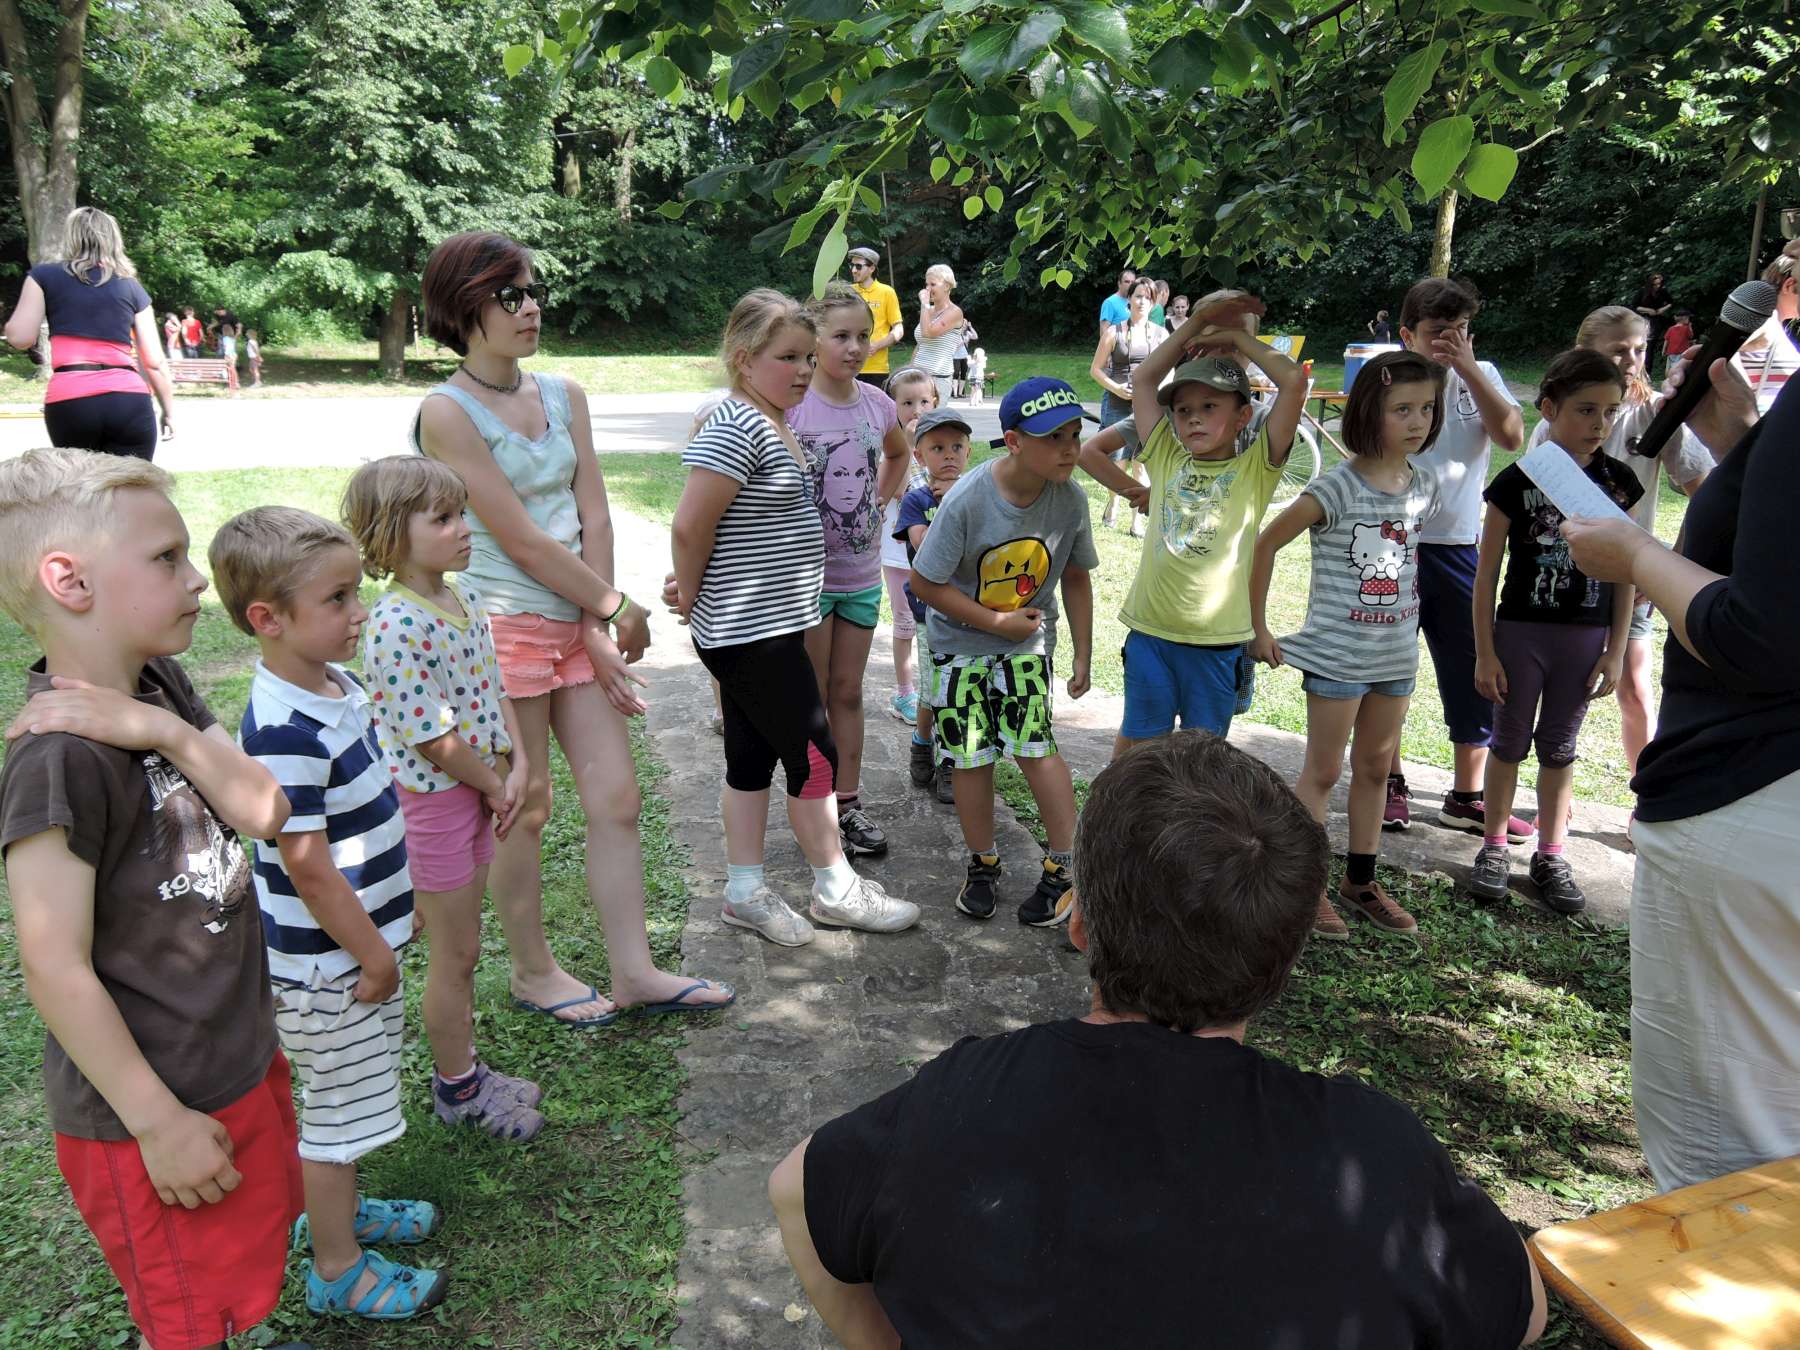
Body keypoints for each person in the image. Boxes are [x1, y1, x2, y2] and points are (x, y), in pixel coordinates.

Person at [768, 731, 1548, 1350]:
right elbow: (1526, 1311)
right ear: (1281, 967)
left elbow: (795, 1187)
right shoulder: (1373, 1152)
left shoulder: (960, 1097)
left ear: (1080, 926)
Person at [0, 449, 300, 1350]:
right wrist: (158, 1122)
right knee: (185, 1316)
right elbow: (53, 966)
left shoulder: (156, 687)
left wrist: (159, 728)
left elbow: (265, 810)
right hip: (156, 1109)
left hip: (232, 1059)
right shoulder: (56, 761)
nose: (196, 579)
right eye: (167, 558)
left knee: (236, 1276)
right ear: (70, 581)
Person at [414, 230, 732, 1024]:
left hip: (574, 621)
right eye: (509, 295)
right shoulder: (446, 413)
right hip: (504, 627)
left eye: (533, 292)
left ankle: (635, 972)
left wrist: (596, 618)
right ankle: (533, 973)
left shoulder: (565, 394)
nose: (530, 308)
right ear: (464, 308)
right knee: (525, 805)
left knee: (617, 798)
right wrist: (615, 607)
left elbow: (594, 511)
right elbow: (519, 537)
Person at [1562, 359, 1800, 1193]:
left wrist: (1634, 552)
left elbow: (1761, 635)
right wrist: (1749, 446)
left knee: (1730, 1162)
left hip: (1755, 784)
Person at [211, 506, 449, 1322]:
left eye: (357, 592)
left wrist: (397, 913)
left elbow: (367, 819)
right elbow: (307, 865)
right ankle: (337, 1268)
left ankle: (339, 1212)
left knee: (357, 1096)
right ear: (268, 619)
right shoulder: (283, 730)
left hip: (359, 946)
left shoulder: (336, 688)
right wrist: (373, 954)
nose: (360, 612)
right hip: (328, 969)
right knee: (338, 1118)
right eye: (338, 599)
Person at [670, 289, 920, 946]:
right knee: (814, 754)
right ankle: (836, 889)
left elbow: (733, 526)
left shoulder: (771, 419)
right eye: (788, 357)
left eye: (808, 356)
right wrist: (691, 593)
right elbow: (691, 524)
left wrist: (702, 582)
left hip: (767, 622)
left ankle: (744, 891)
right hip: (749, 631)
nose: (805, 369)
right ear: (743, 357)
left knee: (749, 760)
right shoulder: (738, 424)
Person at [343, 457, 551, 1143]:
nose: (464, 529)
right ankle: (457, 1088)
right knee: (455, 955)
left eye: (462, 514)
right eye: (443, 519)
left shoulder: (463, 598)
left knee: (465, 946)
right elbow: (432, 736)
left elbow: (493, 688)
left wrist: (519, 762)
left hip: (479, 792)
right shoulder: (396, 625)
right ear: (390, 534)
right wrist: (495, 783)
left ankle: (466, 1070)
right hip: (436, 804)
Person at [1251, 349, 1445, 940]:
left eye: (1427, 409)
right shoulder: (1335, 487)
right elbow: (1265, 544)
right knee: (1324, 770)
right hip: (1337, 657)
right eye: (1402, 409)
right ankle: (1306, 888)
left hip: (1396, 657)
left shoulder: (1425, 484)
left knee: (1376, 768)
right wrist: (1259, 628)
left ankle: (1361, 883)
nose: (1417, 421)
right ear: (1369, 412)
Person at [1078, 293, 1303, 753]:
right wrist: (1195, 325)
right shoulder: (1165, 453)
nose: (1194, 419)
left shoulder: (1256, 467)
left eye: (1210, 408)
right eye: (1184, 411)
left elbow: (1294, 382)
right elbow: (1144, 379)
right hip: (1151, 633)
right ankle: (1118, 803)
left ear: (1242, 416)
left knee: (1201, 755)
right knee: (1142, 747)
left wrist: (1237, 335)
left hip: (1216, 641)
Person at [909, 376, 1098, 925]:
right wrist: (995, 621)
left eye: (1074, 434)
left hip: (1027, 644)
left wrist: (1083, 651)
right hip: (959, 645)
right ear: (1013, 441)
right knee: (970, 757)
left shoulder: (1070, 499)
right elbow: (924, 583)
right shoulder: (969, 498)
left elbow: (1077, 576)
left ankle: (1065, 868)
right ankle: (982, 862)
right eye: (1053, 438)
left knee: (1035, 745)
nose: (1069, 449)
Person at [1468, 352, 1641, 916]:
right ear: (1548, 408)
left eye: (1611, 412)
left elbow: (1626, 574)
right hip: (1520, 634)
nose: (1600, 424)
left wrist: (1616, 650)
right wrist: (1486, 651)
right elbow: (1486, 573)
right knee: (1509, 741)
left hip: (1585, 640)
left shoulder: (1618, 484)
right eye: (1585, 410)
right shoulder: (1517, 481)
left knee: (1560, 748)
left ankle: (1551, 853)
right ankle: (1494, 847)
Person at [1527, 307, 1711, 773]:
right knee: (1564, 689)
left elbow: (1706, 491)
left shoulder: (1656, 414)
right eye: (1618, 350)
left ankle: (1643, 788)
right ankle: (1556, 794)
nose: (1631, 360)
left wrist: (1671, 559)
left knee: (1633, 686)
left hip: (1633, 578)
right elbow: (1534, 502)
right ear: (1584, 352)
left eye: (1639, 349)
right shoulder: (1551, 425)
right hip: (1566, 578)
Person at [1383, 277, 1532, 841]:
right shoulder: (1389, 379)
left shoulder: (1482, 374)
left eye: (1462, 331)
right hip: (1393, 544)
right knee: (1389, 665)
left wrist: (1467, 369)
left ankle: (1467, 796)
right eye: (1438, 333)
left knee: (1472, 667)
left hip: (1459, 547)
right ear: (1408, 335)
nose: (1451, 341)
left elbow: (1512, 437)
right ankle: (1389, 780)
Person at [790, 283, 913, 859]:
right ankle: (813, 804)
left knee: (848, 691)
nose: (856, 347)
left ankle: (849, 802)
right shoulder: (793, 405)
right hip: (806, 580)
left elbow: (898, 452)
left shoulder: (877, 404)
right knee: (812, 694)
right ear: (813, 339)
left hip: (860, 576)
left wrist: (880, 500)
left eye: (864, 335)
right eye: (841, 336)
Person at [2, 207, 176, 459]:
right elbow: (155, 362)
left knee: (81, 482)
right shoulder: (131, 286)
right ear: (113, 239)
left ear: (71, 236)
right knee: (134, 481)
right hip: (128, 400)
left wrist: (10, 324)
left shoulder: (43, 276)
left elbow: (20, 338)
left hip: (72, 400)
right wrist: (168, 411)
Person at [896, 407, 973, 807]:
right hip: (930, 613)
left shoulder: (977, 494)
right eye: (937, 448)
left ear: (969, 452)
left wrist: (960, 499)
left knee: (958, 690)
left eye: (956, 447)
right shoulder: (917, 500)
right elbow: (925, 549)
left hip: (970, 615)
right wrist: (947, 507)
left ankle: (950, 760)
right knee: (933, 691)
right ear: (919, 455)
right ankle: (923, 742)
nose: (949, 456)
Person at [879, 368, 937, 730]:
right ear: (892, 407)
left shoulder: (942, 444)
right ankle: (905, 692)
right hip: (899, 554)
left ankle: (935, 688)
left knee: (934, 624)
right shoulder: (890, 448)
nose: (917, 410)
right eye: (907, 403)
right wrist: (908, 446)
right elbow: (900, 491)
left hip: (935, 552)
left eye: (925, 401)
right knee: (904, 624)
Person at [1089, 277, 1168, 533]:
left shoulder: (1161, 334)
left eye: (1148, 297)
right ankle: (1113, 506)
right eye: (1138, 296)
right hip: (1116, 403)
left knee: (1141, 462)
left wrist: (1161, 394)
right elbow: (1095, 369)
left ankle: (1137, 521)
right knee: (1117, 461)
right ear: (1129, 300)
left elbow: (1169, 372)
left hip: (1148, 406)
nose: (1142, 301)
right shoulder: (1114, 332)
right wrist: (1117, 388)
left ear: (1153, 303)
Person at [1736, 269, 1798, 415]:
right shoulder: (1767, 323)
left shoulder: (1774, 326)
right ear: (1789, 286)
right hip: (1752, 424)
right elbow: (1724, 354)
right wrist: (1746, 405)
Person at [846, 246, 903, 388]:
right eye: (852, 265)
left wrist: (877, 346)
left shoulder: (887, 292)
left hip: (876, 369)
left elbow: (898, 328)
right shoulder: (848, 292)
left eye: (858, 266)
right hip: (848, 364)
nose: (853, 270)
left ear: (872, 268)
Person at [909, 264, 963, 407]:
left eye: (932, 284)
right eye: (926, 284)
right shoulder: (928, 310)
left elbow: (928, 333)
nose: (928, 289)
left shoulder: (954, 312)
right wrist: (909, 370)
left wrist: (924, 304)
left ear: (947, 286)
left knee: (932, 420)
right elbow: (921, 344)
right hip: (918, 376)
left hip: (938, 380)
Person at [1632, 272, 1676, 375]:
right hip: (1643, 319)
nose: (1657, 286)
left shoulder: (1662, 292)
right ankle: (1637, 369)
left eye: (1659, 284)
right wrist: (1648, 310)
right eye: (1655, 284)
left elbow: (1671, 302)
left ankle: (1648, 372)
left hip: (1655, 321)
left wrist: (1662, 309)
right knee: (1641, 344)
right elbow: (1634, 306)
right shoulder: (1642, 292)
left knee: (1650, 346)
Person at [950, 319, 976, 400]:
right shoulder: (955, 334)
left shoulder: (967, 333)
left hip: (965, 356)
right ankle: (955, 393)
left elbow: (975, 336)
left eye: (966, 324)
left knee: (963, 374)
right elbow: (953, 347)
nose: (964, 325)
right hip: (956, 357)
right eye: (963, 323)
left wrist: (970, 327)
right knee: (956, 373)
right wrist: (962, 343)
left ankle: (960, 393)